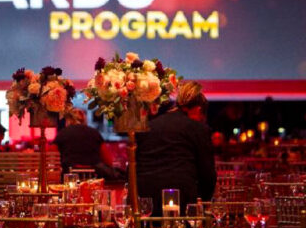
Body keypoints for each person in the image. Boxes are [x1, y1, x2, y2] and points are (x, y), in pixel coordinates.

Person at [135, 80, 216, 216]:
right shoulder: (198, 129)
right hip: (183, 201)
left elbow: (137, 166)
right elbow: (208, 175)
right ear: (198, 109)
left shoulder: (148, 127)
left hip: (146, 201)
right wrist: (203, 202)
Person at [54, 108, 120, 180]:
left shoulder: (62, 134)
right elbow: (107, 160)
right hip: (94, 176)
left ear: (68, 120)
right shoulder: (94, 133)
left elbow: (53, 158)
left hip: (69, 176)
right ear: (85, 119)